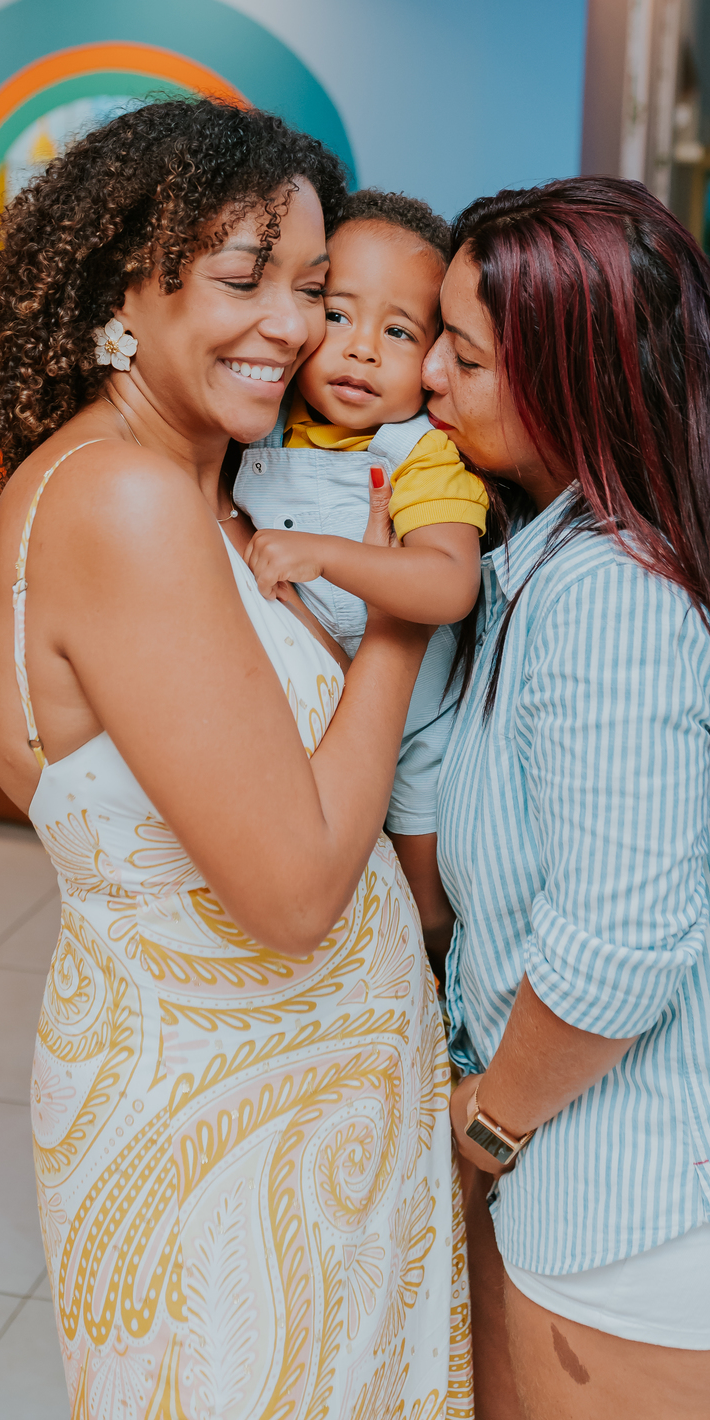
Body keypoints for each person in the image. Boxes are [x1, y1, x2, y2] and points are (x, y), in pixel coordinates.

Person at [0, 98, 473, 1420]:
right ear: (120, 281)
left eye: (311, 287)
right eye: (247, 277)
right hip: (224, 1148)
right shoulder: (123, 499)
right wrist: (404, 622)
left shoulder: (201, 486)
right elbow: (296, 886)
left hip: (315, 1118)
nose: (296, 326)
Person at [417, 178, 710, 1420]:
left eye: (461, 354)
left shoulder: (613, 601)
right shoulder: (593, 543)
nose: (424, 375)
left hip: (671, 1166)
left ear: (569, 380)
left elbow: (621, 949)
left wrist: (493, 1120)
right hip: (675, 1131)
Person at [234, 188, 486, 963]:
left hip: (413, 724)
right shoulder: (259, 422)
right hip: (310, 720)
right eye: (337, 314)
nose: (362, 349)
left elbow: (449, 584)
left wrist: (329, 555)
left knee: (420, 907)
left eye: (399, 331)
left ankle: (440, 1005)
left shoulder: (420, 452)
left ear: (437, 360)